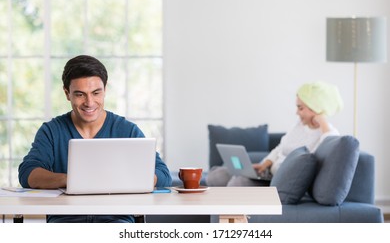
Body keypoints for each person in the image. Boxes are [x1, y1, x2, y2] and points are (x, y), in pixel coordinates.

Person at [18, 55, 172, 223]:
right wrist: (71, 180)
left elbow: (163, 174)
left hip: (116, 221)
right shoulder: (52, 131)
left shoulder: (126, 130)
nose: (89, 102)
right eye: (80, 94)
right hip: (65, 222)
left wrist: (133, 179)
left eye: (96, 93)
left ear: (105, 90)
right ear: (67, 93)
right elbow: (28, 174)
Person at [206, 81, 343, 187]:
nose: (297, 112)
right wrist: (265, 163)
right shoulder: (299, 125)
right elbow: (281, 147)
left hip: (278, 181)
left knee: (238, 183)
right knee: (215, 176)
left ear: (316, 109)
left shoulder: (328, 133)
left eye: (300, 108)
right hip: (268, 172)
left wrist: (322, 120)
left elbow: (331, 142)